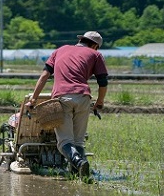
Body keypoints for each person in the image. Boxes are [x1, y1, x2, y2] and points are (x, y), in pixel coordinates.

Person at [25, 31, 108, 178]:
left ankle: (79, 162)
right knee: (78, 141)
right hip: (83, 97)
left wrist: (33, 99)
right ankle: (80, 174)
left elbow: (44, 76)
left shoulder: (60, 50)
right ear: (95, 45)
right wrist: (99, 102)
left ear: (81, 40)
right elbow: (102, 82)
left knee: (65, 142)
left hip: (62, 98)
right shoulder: (95, 55)